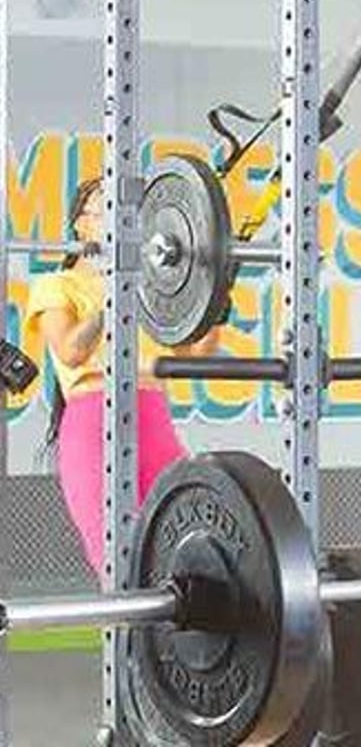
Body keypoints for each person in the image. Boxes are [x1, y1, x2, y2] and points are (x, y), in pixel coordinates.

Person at [24, 178, 221, 578]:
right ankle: (125, 640)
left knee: (187, 538)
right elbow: (70, 351)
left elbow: (197, 354)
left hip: (152, 418)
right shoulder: (56, 285)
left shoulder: (152, 290)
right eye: (104, 208)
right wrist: (115, 295)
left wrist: (213, 293)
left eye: (126, 212)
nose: (118, 219)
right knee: (118, 558)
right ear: (80, 225)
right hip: (91, 422)